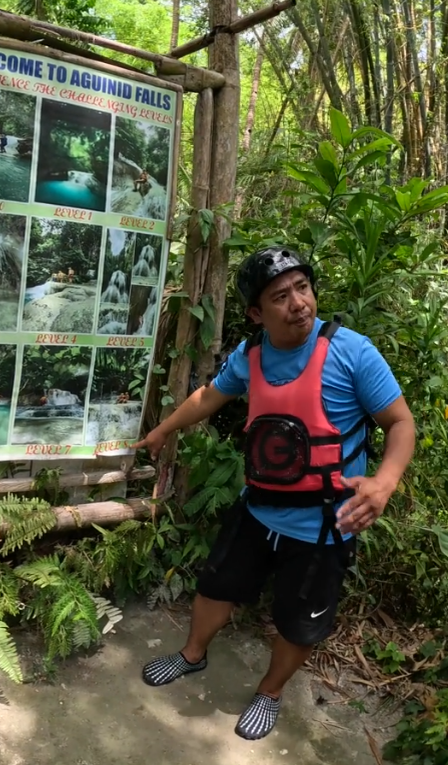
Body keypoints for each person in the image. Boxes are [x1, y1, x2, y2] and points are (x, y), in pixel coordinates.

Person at [132, 247, 414, 741]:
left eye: (302, 288)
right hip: (259, 508)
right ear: (257, 313)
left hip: (325, 524)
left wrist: (384, 482)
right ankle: (192, 655)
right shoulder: (252, 354)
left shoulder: (351, 351)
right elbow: (211, 394)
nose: (298, 303)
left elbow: (400, 423)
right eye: (280, 296)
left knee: (298, 622)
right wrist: (163, 431)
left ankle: (270, 691)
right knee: (215, 587)